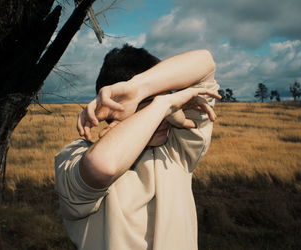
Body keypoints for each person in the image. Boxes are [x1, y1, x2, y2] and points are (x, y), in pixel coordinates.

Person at [54, 44, 220, 250]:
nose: (167, 115)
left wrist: (140, 89)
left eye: (168, 98)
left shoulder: (176, 148)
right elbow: (103, 166)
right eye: (148, 102)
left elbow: (205, 61)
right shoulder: (73, 155)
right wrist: (162, 104)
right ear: (113, 105)